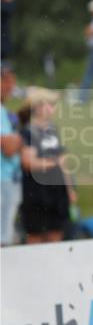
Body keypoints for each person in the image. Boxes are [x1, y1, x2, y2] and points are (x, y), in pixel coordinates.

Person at [19, 89, 74, 243]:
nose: (51, 108)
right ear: (37, 108)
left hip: (56, 192)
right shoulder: (28, 132)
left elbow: (64, 163)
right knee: (36, 235)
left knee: (56, 233)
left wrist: (69, 189)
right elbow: (28, 163)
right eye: (48, 104)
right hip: (35, 192)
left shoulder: (53, 131)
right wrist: (55, 162)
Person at [1, 61, 23, 245]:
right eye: (5, 80)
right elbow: (8, 148)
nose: (10, 86)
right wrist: (20, 137)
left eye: (11, 81)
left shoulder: (5, 112)